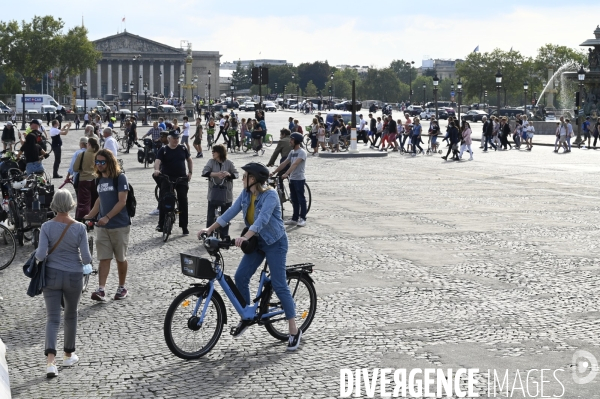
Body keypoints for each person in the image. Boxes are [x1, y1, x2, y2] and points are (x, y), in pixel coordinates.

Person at [198, 162, 302, 351]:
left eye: (245, 176)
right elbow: (231, 212)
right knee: (240, 277)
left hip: (275, 243)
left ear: (253, 179)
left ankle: (294, 330)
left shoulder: (270, 195)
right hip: (257, 242)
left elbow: (262, 219)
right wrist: (210, 228)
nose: (242, 179)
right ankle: (247, 315)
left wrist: (245, 236)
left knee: (279, 284)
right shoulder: (246, 194)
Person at [36, 189, 92, 378]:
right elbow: (86, 258)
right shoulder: (79, 228)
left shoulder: (46, 227)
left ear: (53, 204)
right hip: (73, 276)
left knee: (52, 318)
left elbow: (40, 255)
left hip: (51, 275)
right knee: (71, 314)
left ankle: (50, 363)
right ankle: (68, 354)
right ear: (70, 204)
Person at [84, 149, 130, 301]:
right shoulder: (99, 179)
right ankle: (101, 289)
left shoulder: (120, 178)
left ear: (110, 162)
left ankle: (122, 287)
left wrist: (108, 217)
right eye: (97, 162)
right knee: (104, 258)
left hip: (120, 225)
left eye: (103, 162)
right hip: (102, 227)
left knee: (120, 258)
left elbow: (122, 201)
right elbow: (99, 200)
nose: (99, 164)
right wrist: (90, 215)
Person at [153, 130, 193, 235]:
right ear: (169, 139)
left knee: (183, 201)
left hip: (181, 178)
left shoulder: (182, 148)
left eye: (177, 138)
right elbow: (157, 161)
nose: (176, 140)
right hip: (167, 178)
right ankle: (161, 224)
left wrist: (190, 172)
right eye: (174, 138)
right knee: (163, 199)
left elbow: (189, 160)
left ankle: (184, 226)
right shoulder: (164, 149)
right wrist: (157, 170)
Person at [201, 144, 239, 238]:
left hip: (226, 194)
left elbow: (236, 174)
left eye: (214, 151)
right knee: (210, 216)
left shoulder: (229, 163)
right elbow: (204, 172)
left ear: (220, 152)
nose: (212, 153)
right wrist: (216, 174)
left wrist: (229, 174)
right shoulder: (211, 162)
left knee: (226, 216)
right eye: (212, 151)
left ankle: (224, 235)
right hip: (213, 192)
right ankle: (208, 234)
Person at [272, 133, 307, 227]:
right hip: (292, 179)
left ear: (296, 141)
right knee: (294, 199)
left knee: (301, 199)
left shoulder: (302, 152)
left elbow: (295, 164)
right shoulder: (292, 152)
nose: (290, 141)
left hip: (299, 179)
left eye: (291, 139)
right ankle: (294, 219)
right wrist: (274, 172)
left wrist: (286, 173)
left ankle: (303, 218)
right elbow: (284, 163)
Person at [73, 137, 100, 221]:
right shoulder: (98, 155)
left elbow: (75, 168)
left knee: (83, 202)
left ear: (89, 144)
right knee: (95, 201)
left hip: (84, 179)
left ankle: (82, 219)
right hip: (95, 179)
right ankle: (94, 217)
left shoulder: (82, 154)